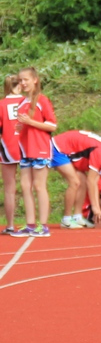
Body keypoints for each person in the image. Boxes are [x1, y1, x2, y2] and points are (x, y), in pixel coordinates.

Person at [51, 129, 101, 229]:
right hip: (58, 148)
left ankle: (77, 216)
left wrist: (97, 207)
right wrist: (96, 208)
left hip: (68, 148)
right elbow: (91, 181)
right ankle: (66, 219)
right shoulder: (100, 153)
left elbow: (94, 181)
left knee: (82, 180)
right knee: (74, 182)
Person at [13, 67, 56, 238]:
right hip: (25, 149)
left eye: (26, 80)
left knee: (39, 186)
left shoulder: (42, 100)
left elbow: (52, 125)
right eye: (20, 80)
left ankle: (43, 225)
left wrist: (31, 122)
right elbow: (24, 125)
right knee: (25, 186)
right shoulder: (22, 103)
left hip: (40, 148)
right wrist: (21, 127)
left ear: (35, 80)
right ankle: (30, 224)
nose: (23, 83)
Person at [1, 74, 23, 235]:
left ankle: (10, 225)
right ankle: (34, 224)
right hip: (27, 146)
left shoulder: (1, 104)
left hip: (8, 147)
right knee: (31, 185)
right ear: (20, 85)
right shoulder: (28, 102)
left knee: (9, 188)